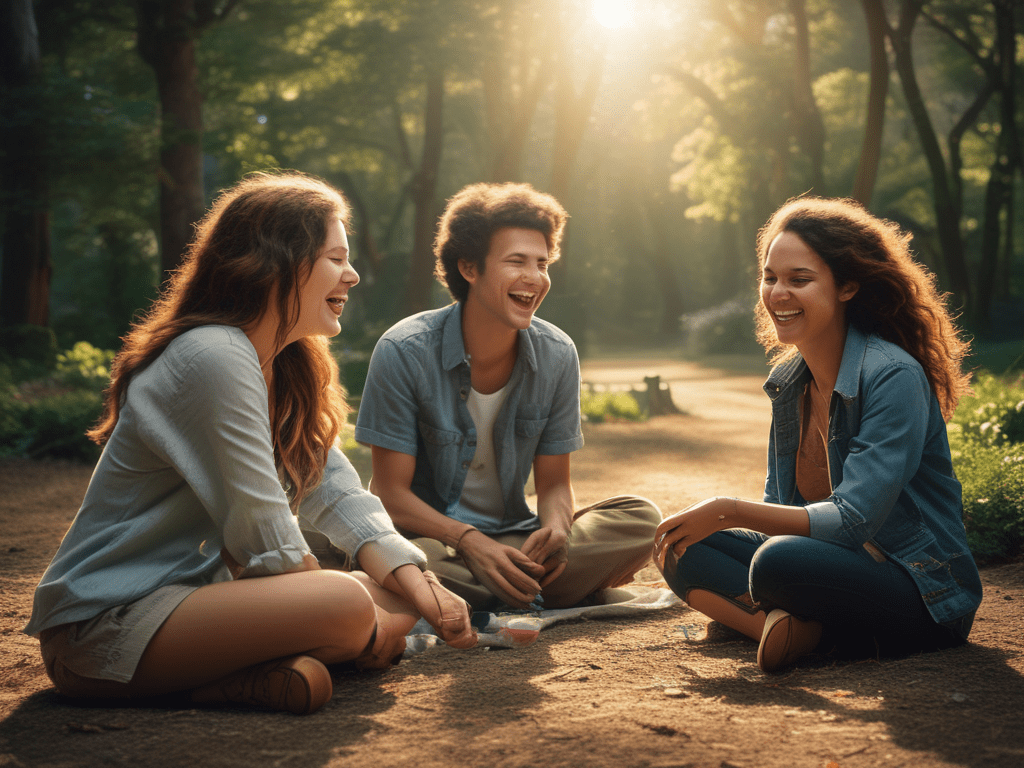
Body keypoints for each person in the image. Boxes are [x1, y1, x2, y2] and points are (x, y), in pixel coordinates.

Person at [24, 171, 475, 716]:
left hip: (197, 604)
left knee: (396, 586)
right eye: (335, 258)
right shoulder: (211, 354)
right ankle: (248, 671)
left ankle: (251, 675)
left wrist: (424, 589)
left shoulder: (283, 366)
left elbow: (338, 494)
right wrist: (361, 624)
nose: (352, 276)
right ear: (277, 261)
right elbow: (262, 529)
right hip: (103, 627)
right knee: (348, 601)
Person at [654, 196, 982, 673]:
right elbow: (781, 507)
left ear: (847, 285)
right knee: (677, 544)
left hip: (921, 592)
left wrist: (728, 510)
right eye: (770, 278)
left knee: (776, 562)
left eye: (799, 280)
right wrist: (720, 524)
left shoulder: (894, 376)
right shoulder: (790, 383)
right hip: (828, 570)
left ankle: (786, 626)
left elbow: (854, 520)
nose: (778, 293)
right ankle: (801, 634)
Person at [355, 182, 662, 611]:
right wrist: (468, 540)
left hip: (513, 535)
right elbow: (389, 494)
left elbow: (555, 484)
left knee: (643, 520)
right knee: (396, 557)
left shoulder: (557, 354)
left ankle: (463, 592)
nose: (534, 278)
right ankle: (525, 589)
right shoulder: (404, 350)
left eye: (543, 263)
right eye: (516, 262)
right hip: (433, 541)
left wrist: (555, 528)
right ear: (469, 268)